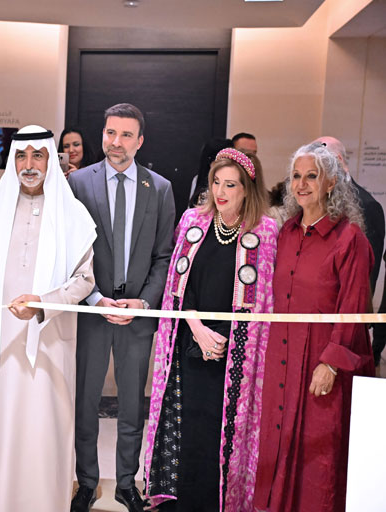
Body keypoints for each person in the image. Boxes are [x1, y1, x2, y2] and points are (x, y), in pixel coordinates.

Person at [0, 125, 96, 511]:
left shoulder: (72, 212)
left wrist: (42, 303)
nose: (29, 165)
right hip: (4, 339)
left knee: (43, 429)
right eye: (21, 157)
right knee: (1, 424)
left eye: (37, 156)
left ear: (50, 160)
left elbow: (84, 281)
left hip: (49, 338)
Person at [144, 148, 277, 511]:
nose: (220, 191)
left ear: (247, 189)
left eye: (230, 185)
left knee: (220, 429)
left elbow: (264, 299)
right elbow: (177, 287)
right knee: (188, 424)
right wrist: (198, 329)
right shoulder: (193, 221)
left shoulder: (265, 230)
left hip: (236, 351)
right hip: (191, 339)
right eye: (216, 182)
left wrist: (225, 339)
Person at [254, 142, 376, 512]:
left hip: (323, 360)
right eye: (296, 176)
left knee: (318, 452)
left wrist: (331, 363)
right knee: (278, 439)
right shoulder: (286, 232)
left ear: (331, 183)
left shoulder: (349, 238)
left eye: (312, 176)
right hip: (282, 356)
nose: (302, 184)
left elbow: (354, 306)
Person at [68, 103, 175, 512]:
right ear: (102, 135)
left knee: (132, 405)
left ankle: (127, 483)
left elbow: (164, 256)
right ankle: (87, 482)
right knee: (85, 403)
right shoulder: (79, 182)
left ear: (140, 141)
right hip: (91, 311)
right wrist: (94, 298)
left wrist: (144, 301)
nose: (117, 142)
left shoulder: (159, 188)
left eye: (126, 135)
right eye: (111, 133)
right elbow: (69, 251)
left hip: (137, 315)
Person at [314, 136, 384, 294]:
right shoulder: (315, 199)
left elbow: (367, 275)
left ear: (337, 160)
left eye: (318, 163)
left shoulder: (367, 205)